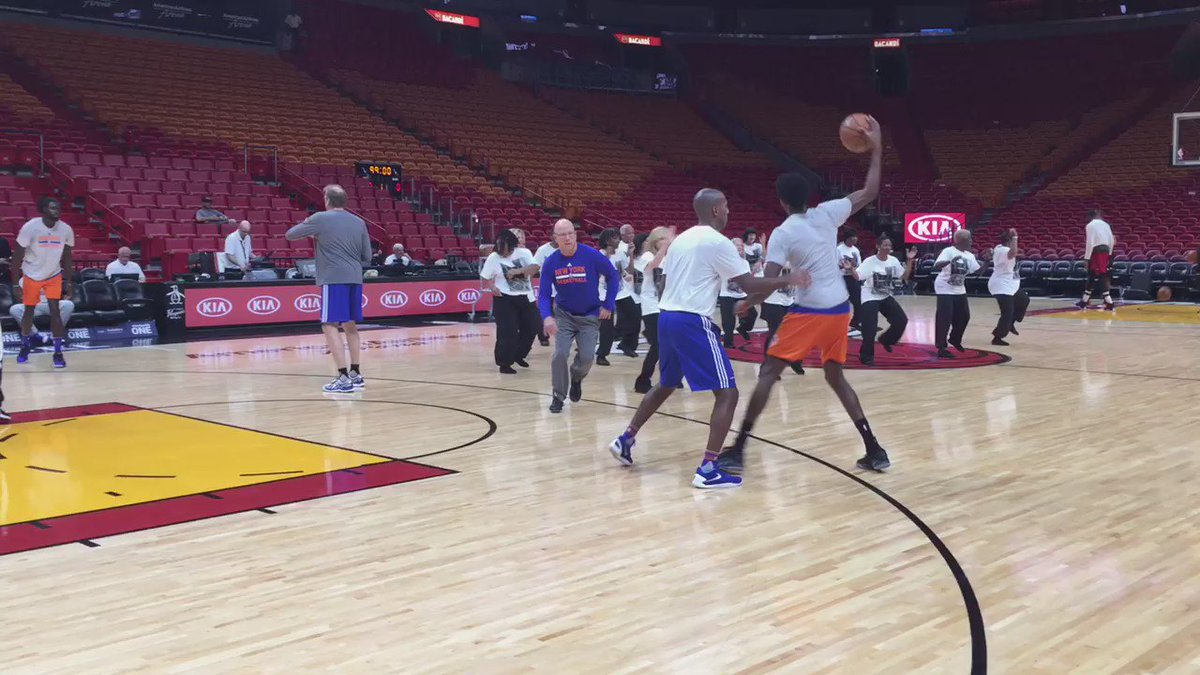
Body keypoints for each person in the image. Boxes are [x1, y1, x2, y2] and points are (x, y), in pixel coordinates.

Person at [607, 188, 806, 489]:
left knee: (667, 383)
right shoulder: (717, 242)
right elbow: (748, 282)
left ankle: (625, 439)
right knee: (728, 393)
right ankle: (708, 469)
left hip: (667, 316)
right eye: (726, 207)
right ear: (715, 210)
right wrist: (787, 279)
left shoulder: (682, 239)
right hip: (691, 320)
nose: (728, 212)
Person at [724, 115, 889, 476]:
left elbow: (765, 283)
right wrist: (876, 149)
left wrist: (751, 300)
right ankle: (874, 449)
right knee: (835, 376)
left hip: (812, 311)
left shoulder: (783, 233)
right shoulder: (828, 213)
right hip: (840, 310)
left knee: (767, 373)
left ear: (782, 202)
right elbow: (870, 192)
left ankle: (737, 449)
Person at [286, 184, 372, 393]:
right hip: (355, 277)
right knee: (350, 325)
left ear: (327, 200)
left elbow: (290, 234)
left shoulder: (320, 218)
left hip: (333, 278)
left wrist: (315, 234)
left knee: (329, 324)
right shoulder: (359, 222)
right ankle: (355, 373)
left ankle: (342, 378)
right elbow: (367, 257)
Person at [538, 218, 619, 413]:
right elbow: (543, 294)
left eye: (570, 233)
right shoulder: (551, 262)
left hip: (590, 316)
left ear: (575, 235)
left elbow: (613, 275)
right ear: (555, 239)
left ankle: (576, 378)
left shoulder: (591, 255)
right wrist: (547, 317)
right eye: (562, 235)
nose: (567, 238)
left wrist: (608, 304)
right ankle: (558, 395)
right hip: (564, 315)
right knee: (560, 355)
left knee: (587, 357)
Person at [13, 196, 73, 368]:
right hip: (31, 274)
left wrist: (69, 282)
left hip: (53, 275)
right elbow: (17, 257)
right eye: (53, 208)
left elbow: (68, 258)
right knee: (28, 311)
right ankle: (25, 345)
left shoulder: (66, 229)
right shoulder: (30, 228)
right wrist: (16, 284)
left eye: (59, 208)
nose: (57, 211)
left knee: (55, 311)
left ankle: (58, 352)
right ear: (43, 209)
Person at [481, 230, 540, 374]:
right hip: (504, 297)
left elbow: (535, 268)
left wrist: (518, 271)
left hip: (525, 296)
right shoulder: (493, 257)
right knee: (507, 331)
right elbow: (486, 277)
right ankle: (504, 363)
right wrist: (492, 286)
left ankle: (519, 355)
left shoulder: (524, 253)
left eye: (507, 251)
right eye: (502, 251)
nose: (504, 254)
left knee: (532, 327)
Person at [853, 234, 915, 365]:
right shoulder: (869, 261)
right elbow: (858, 276)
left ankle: (886, 340)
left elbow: (904, 276)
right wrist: (851, 269)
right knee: (869, 328)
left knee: (901, 320)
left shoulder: (893, 260)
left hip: (885, 295)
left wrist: (910, 260)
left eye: (889, 245)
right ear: (878, 246)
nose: (888, 247)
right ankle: (866, 356)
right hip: (869, 296)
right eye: (885, 245)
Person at [632, 227, 673, 394]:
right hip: (650, 306)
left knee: (668, 344)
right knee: (658, 344)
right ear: (656, 241)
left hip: (666, 305)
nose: (666, 242)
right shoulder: (646, 257)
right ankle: (642, 380)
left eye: (667, 239)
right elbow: (652, 267)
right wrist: (665, 247)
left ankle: (670, 378)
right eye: (662, 239)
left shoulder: (669, 258)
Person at [932, 229, 981, 358]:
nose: (971, 241)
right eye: (969, 238)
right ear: (962, 241)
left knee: (964, 316)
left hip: (959, 289)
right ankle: (941, 347)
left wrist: (987, 261)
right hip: (944, 287)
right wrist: (950, 261)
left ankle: (954, 338)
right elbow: (937, 265)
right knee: (945, 318)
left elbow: (977, 272)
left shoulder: (969, 255)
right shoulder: (948, 251)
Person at [595, 228, 636, 364]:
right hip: (604, 295)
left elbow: (628, 271)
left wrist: (630, 255)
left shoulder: (620, 254)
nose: (618, 240)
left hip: (621, 292)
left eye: (618, 237)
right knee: (607, 326)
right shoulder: (598, 255)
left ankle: (627, 344)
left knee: (634, 315)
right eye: (615, 238)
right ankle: (602, 355)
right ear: (607, 241)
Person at [989, 228, 1029, 345]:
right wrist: (1015, 237)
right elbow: (1013, 253)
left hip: (1010, 284)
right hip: (1001, 285)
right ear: (1010, 241)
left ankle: (1010, 323)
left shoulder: (999, 247)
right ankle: (997, 337)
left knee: (1023, 300)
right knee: (1008, 311)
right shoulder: (1003, 250)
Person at [717, 237, 758, 347]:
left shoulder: (744, 262)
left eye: (741, 245)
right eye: (737, 245)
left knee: (752, 314)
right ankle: (728, 343)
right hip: (727, 295)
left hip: (742, 294)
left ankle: (743, 328)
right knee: (728, 321)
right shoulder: (724, 260)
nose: (740, 247)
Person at [1076, 208, 1115, 310]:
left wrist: (1086, 258)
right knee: (1092, 275)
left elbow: (1090, 242)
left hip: (1097, 250)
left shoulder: (1090, 226)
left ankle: (1110, 302)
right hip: (1106, 250)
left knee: (1101, 275)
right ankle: (1084, 301)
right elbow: (1111, 240)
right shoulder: (1106, 224)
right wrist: (1109, 254)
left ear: (1089, 217)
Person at [616, 223, 642, 354]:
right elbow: (626, 270)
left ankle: (626, 342)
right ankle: (627, 343)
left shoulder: (631, 246)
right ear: (622, 235)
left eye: (633, 232)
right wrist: (630, 254)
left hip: (630, 288)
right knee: (633, 316)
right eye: (629, 233)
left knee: (627, 317)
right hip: (623, 288)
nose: (632, 235)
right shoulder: (620, 248)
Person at [533, 234, 558, 347]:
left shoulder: (567, 249)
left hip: (564, 287)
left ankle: (567, 337)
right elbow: (534, 267)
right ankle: (543, 337)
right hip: (547, 287)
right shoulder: (542, 250)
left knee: (568, 314)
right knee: (544, 313)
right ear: (552, 235)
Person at [838, 231, 863, 332]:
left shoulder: (855, 250)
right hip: (842, 278)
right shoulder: (839, 249)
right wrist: (843, 266)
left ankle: (855, 322)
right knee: (842, 302)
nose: (856, 239)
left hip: (852, 277)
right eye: (854, 237)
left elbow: (859, 264)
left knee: (859, 301)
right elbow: (834, 264)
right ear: (848, 238)